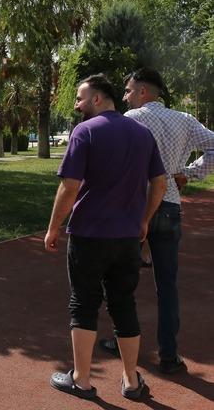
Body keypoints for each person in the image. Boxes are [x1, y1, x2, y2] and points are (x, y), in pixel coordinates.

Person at [45, 74, 166, 401]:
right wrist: (144, 221)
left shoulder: (85, 131)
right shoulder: (142, 134)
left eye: (80, 98)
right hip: (127, 237)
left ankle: (81, 380)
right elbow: (160, 183)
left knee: (83, 303)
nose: (76, 104)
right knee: (124, 304)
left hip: (88, 235)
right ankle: (130, 381)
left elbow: (69, 187)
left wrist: (53, 227)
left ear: (98, 99)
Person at [96, 68, 214, 374]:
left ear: (143, 92)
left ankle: (123, 341)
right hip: (170, 206)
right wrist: (190, 173)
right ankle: (169, 355)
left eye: (128, 90)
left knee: (123, 281)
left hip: (136, 210)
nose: (125, 96)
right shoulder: (185, 120)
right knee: (168, 285)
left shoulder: (132, 119)